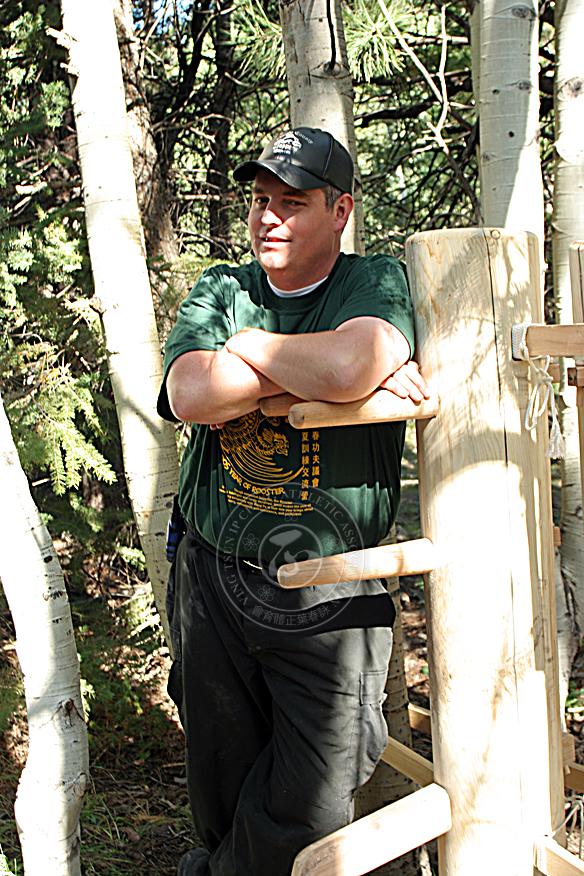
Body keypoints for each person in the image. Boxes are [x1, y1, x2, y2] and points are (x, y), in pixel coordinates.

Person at [157, 126, 429, 876]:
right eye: (260, 199)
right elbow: (189, 393)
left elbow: (350, 363)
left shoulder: (372, 283)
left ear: (340, 211)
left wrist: (245, 350)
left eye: (293, 202)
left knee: (322, 784)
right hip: (215, 572)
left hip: (332, 583)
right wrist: (318, 372)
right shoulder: (224, 288)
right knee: (220, 775)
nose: (268, 217)